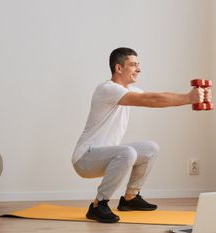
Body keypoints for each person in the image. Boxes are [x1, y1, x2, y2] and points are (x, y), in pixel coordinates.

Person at [72, 47, 208, 223]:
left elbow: (158, 97)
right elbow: (151, 101)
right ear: (119, 68)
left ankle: (130, 198)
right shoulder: (107, 89)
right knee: (127, 152)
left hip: (105, 155)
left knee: (150, 148)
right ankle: (98, 205)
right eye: (133, 64)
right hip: (85, 158)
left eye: (138, 64)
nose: (139, 69)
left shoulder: (130, 91)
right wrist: (189, 98)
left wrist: (193, 97)